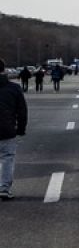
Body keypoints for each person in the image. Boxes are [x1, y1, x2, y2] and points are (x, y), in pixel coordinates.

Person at [0, 58, 28, 200]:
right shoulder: (14, 88)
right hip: (6, 130)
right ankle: (4, 189)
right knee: (7, 159)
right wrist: (21, 129)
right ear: (3, 70)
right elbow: (22, 111)